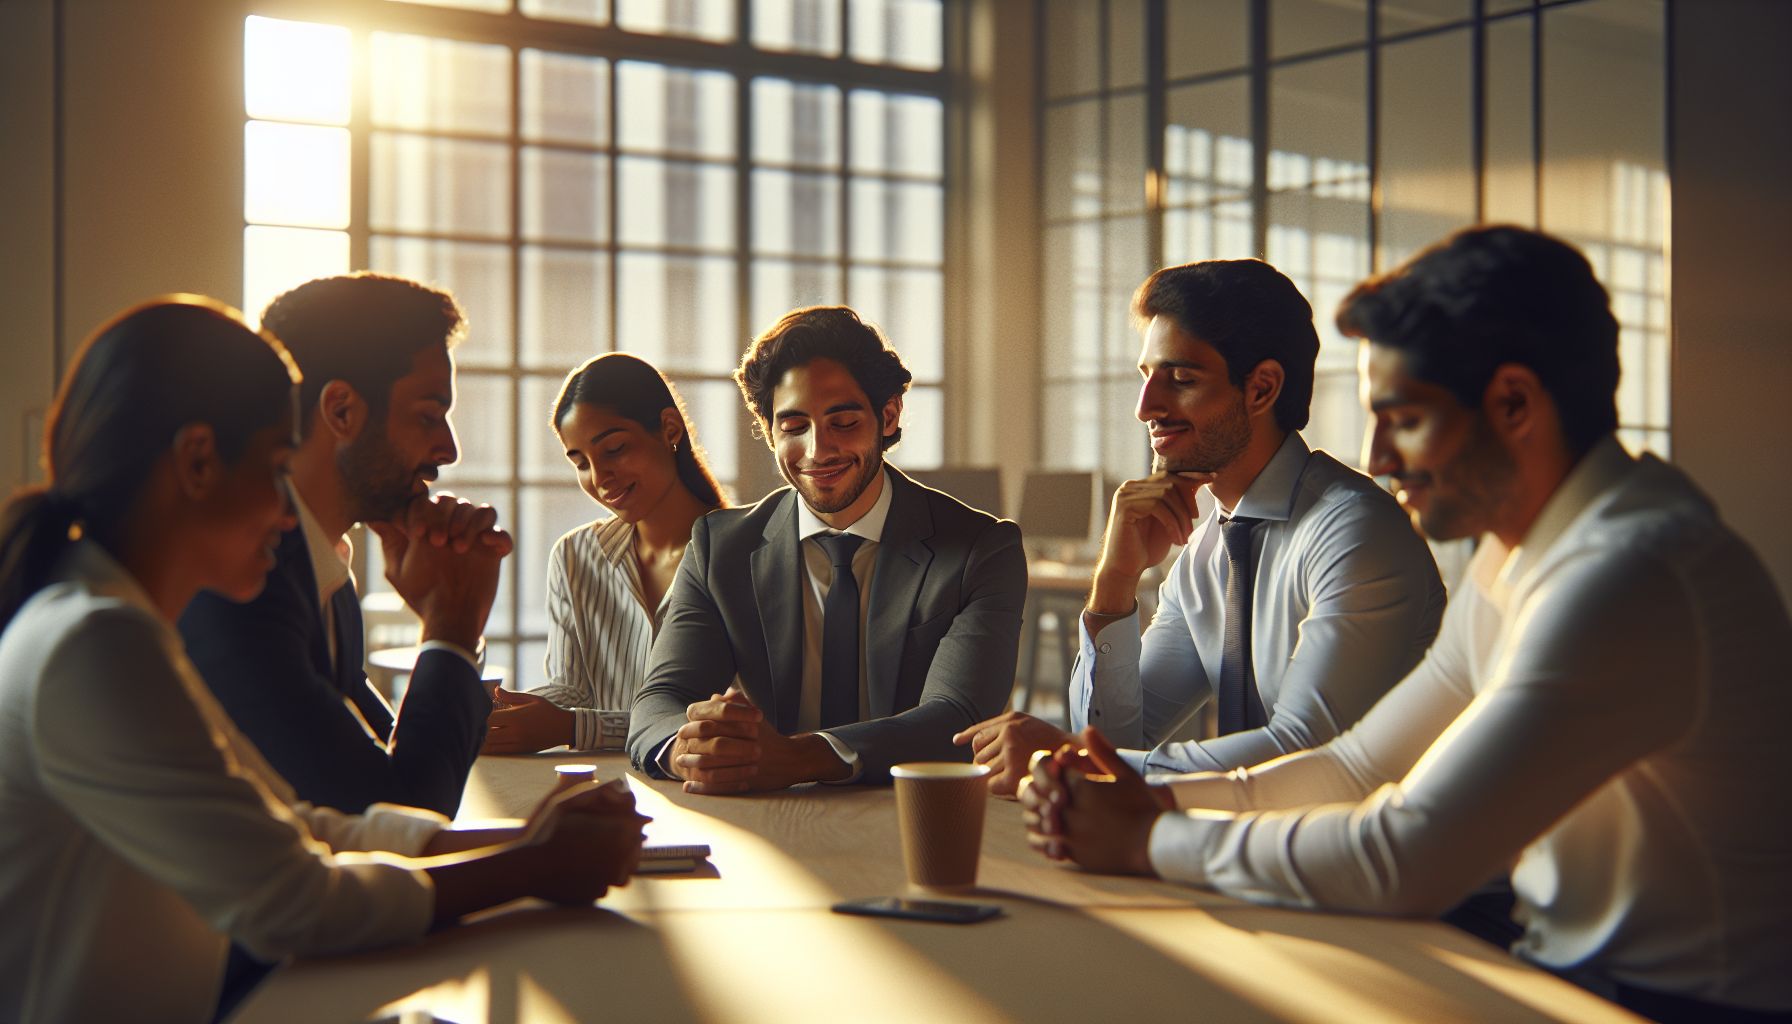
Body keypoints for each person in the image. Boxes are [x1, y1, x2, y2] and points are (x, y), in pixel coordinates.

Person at [1020, 227, 1792, 1024]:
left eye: (1405, 419)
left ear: (1515, 404)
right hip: (1561, 976)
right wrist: (1143, 805)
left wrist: (1148, 840)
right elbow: (1354, 766)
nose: (1377, 456)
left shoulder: (1630, 573)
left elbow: (1406, 854)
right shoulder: (1520, 556)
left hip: (1666, 1006)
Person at [0, 297, 647, 1024]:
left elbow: (300, 823)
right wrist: (533, 866)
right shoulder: (95, 642)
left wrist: (526, 839)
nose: (286, 511)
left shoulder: (117, 622)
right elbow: (289, 898)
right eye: (277, 467)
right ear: (197, 461)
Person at [956, 259, 1445, 796]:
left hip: (1373, 864)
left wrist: (1069, 757)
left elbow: (1304, 752)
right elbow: (1115, 738)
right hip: (1247, 854)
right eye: (1146, 379)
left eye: (1181, 380)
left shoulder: (1353, 531)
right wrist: (1115, 579)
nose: (1147, 409)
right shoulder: (1210, 549)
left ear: (1261, 389)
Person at [626, 306, 1028, 792]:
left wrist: (798, 758)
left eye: (842, 421)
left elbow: (958, 722)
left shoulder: (981, 550)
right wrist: (695, 752)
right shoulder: (720, 547)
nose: (817, 450)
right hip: (768, 815)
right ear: (769, 429)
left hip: (912, 814)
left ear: (889, 415)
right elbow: (660, 701)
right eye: (793, 426)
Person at [179, 273, 503, 818]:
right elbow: (402, 811)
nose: (447, 450)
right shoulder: (244, 583)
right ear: (342, 411)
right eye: (428, 415)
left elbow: (385, 769)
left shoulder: (322, 565)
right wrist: (452, 623)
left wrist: (447, 621)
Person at [482, 353, 728, 754]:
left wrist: (576, 729)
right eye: (581, 463)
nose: (598, 479)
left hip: (707, 795)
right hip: (603, 793)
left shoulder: (745, 554)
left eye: (613, 449)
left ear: (669, 429)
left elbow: (721, 720)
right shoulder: (574, 556)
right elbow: (571, 690)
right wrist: (510, 711)